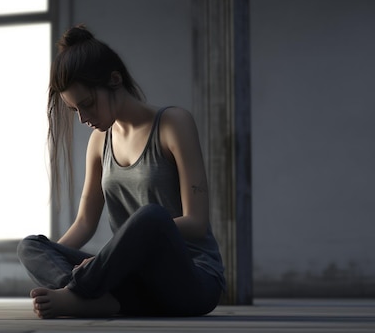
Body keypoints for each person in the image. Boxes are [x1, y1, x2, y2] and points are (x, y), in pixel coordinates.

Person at [17, 24, 225, 319]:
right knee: (31, 246)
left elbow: (196, 223)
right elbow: (85, 223)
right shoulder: (99, 141)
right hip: (129, 277)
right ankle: (92, 298)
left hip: (193, 279)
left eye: (87, 105)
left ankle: (82, 293)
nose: (83, 118)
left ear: (114, 80)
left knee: (152, 217)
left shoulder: (173, 124)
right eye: (75, 110)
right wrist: (56, 259)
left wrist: (104, 257)